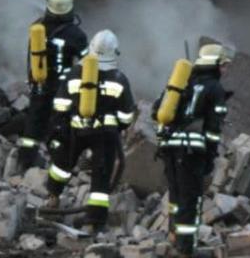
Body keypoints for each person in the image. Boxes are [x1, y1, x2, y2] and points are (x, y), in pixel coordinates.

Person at [44, 29, 136, 229]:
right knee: (101, 181)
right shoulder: (119, 79)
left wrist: (64, 125)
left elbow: (60, 105)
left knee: (61, 166)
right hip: (105, 136)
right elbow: (126, 116)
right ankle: (93, 222)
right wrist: (116, 126)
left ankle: (52, 197)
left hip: (75, 131)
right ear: (114, 53)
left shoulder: (75, 73)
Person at [155, 43, 233, 257]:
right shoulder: (215, 89)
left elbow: (157, 110)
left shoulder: (181, 82)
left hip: (170, 148)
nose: (225, 70)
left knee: (176, 195)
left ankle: (173, 235)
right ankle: (186, 248)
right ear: (215, 65)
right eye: (224, 65)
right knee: (191, 198)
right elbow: (213, 129)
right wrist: (210, 156)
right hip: (192, 152)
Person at [19, 0, 88, 170]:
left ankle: (24, 164)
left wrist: (33, 80)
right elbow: (88, 63)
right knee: (60, 125)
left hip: (40, 86)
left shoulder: (37, 27)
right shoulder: (76, 35)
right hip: (63, 90)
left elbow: (30, 57)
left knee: (33, 127)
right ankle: (58, 163)